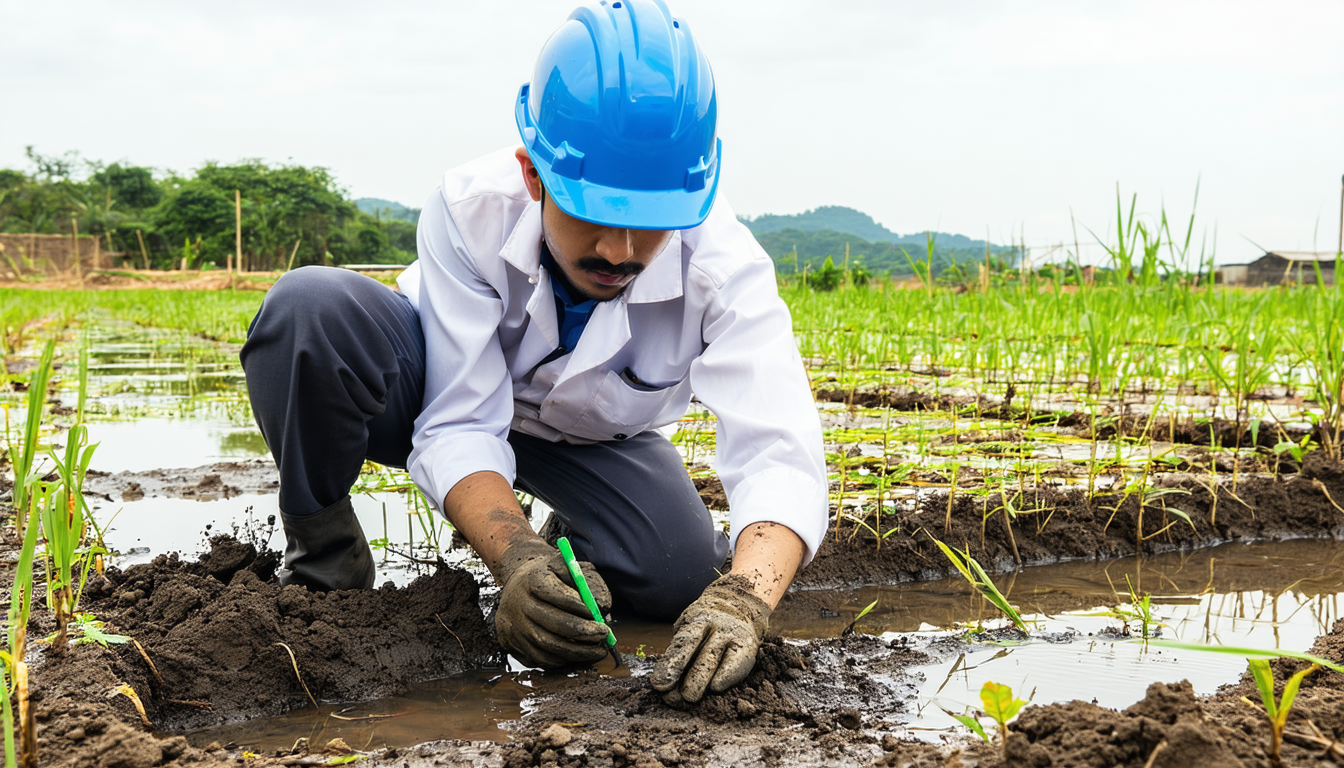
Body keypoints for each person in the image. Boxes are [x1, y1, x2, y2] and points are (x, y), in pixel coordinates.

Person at [240, 0, 826, 704]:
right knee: (312, 311)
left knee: (675, 570)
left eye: (649, 227)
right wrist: (511, 556)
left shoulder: (725, 268)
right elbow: (459, 421)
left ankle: (569, 558)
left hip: (588, 437)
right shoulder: (469, 210)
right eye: (593, 214)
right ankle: (325, 560)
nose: (619, 252)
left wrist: (744, 600)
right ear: (532, 174)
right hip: (429, 389)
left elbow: (779, 450)